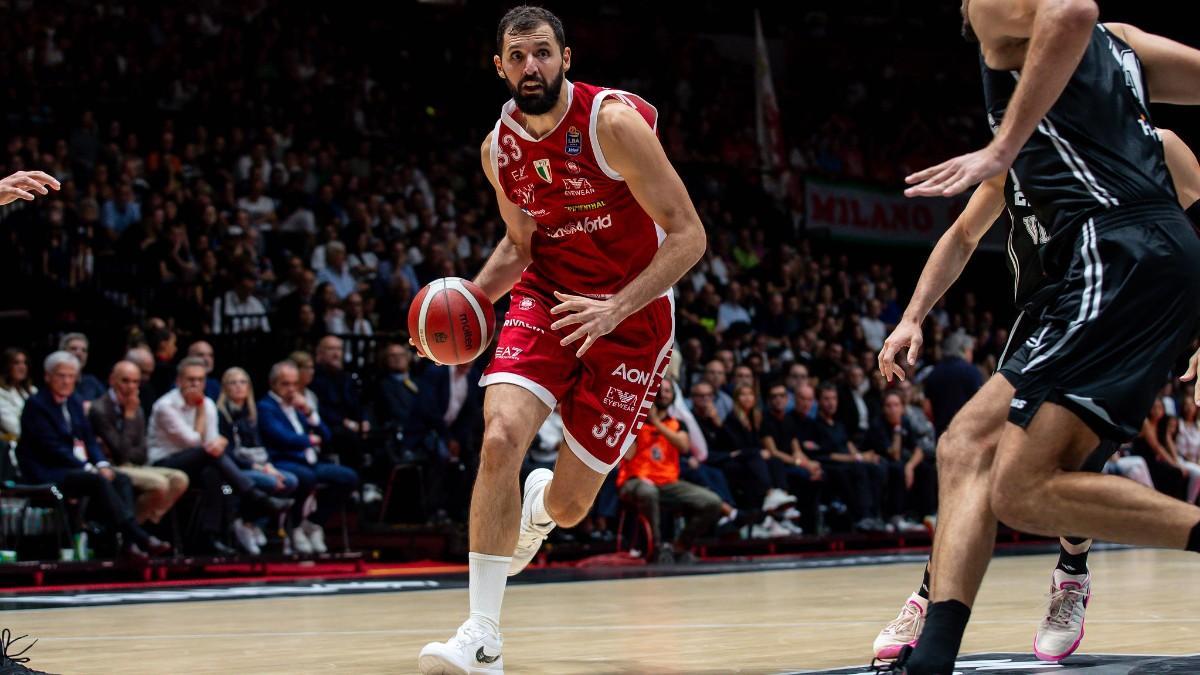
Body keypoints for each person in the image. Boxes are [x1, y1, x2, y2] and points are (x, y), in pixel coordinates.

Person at [888, 5, 1200, 670]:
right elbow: (962, 236)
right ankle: (933, 642)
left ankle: (1069, 575)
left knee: (1024, 484)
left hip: (1114, 263)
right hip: (1079, 290)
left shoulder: (1009, 32)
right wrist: (912, 315)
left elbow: (1072, 10)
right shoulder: (1119, 51)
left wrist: (1002, 143)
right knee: (969, 448)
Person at [417, 7, 706, 672]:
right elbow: (520, 247)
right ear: (500, 67)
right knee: (499, 437)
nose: (531, 67)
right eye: (518, 57)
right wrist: (459, 308)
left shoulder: (612, 124)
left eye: (543, 53)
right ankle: (482, 636)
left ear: (566, 58)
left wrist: (614, 308)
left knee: (572, 506)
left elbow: (689, 235)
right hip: (546, 298)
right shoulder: (498, 149)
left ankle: (541, 508)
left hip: (632, 316)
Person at [16, 352, 170, 560]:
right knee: (96, 480)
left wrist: (102, 463)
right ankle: (138, 536)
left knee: (120, 479)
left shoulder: (74, 401)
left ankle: (128, 544)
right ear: (47, 376)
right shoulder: (36, 405)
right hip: (48, 471)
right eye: (61, 376)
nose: (66, 381)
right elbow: (52, 449)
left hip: (76, 469)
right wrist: (90, 468)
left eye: (71, 376)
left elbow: (89, 439)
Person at [147, 357, 291, 554]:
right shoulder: (166, 406)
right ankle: (254, 497)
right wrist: (200, 414)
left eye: (200, 380)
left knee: (216, 477)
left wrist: (216, 442)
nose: (195, 384)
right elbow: (195, 442)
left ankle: (211, 537)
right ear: (179, 381)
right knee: (209, 457)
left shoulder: (208, 404)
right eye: (190, 379)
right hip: (166, 463)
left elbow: (213, 443)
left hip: (202, 465)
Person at [259, 361, 359, 555]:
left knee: (348, 477)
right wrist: (309, 440)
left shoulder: (299, 405)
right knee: (306, 478)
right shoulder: (266, 406)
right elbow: (282, 438)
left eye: (294, 384)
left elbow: (326, 435)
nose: (291, 389)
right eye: (285, 384)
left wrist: (309, 412)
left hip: (310, 461)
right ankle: (294, 525)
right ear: (273, 384)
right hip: (283, 461)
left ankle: (314, 523)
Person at [616, 384, 722, 564]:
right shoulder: (634, 421)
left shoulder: (678, 424)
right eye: (659, 391)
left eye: (667, 391)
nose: (663, 394)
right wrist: (638, 423)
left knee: (712, 502)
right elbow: (626, 455)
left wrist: (656, 423)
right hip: (634, 480)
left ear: (673, 396)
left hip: (668, 482)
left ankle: (680, 546)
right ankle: (656, 548)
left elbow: (684, 446)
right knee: (648, 492)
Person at [89, 361, 189, 525]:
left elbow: (143, 453)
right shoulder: (99, 409)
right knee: (159, 484)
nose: (131, 387)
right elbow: (121, 453)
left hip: (135, 465)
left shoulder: (137, 407)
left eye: (135, 382)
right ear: (112, 380)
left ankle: (143, 524)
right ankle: (132, 531)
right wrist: (129, 416)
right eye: (125, 381)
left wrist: (129, 451)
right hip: (111, 466)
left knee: (179, 479)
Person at [216, 367, 298, 555]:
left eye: (243, 382)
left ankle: (252, 523)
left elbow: (261, 446)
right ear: (225, 388)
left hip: (256, 467)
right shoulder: (219, 414)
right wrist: (257, 468)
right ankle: (240, 522)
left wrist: (268, 466)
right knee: (267, 483)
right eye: (233, 382)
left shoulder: (251, 413)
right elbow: (226, 453)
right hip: (228, 478)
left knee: (289, 480)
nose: (238, 386)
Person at [0, 349, 36, 440]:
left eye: (25, 363)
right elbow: (15, 428)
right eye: (16, 363)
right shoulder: (1, 393)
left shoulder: (33, 390)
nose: (22, 367)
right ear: (6, 366)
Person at [59, 333, 106, 403]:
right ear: (62, 352)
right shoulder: (55, 381)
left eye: (84, 350)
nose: (79, 353)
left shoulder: (92, 382)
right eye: (73, 349)